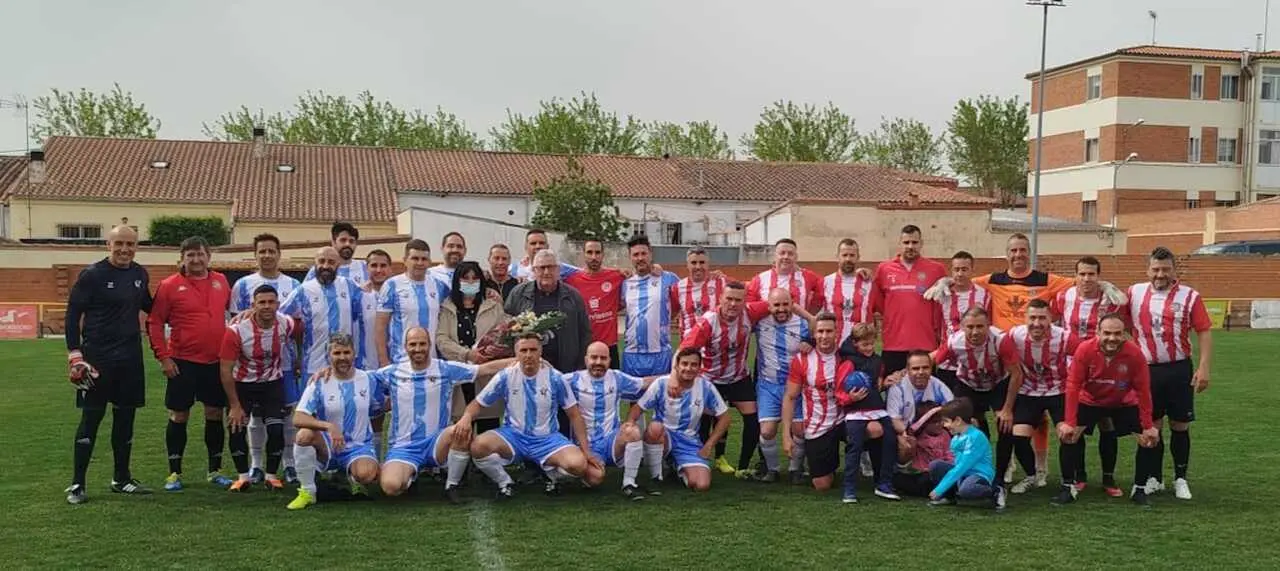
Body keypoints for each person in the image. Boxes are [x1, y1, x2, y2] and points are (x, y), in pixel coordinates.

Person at [63, 225, 154, 504]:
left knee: (125, 420)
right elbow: (72, 314)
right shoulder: (93, 275)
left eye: (130, 244)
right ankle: (77, 484)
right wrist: (75, 355)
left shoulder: (139, 273)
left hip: (130, 359)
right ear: (108, 244)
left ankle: (122, 478)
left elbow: (152, 307)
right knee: (91, 419)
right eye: (120, 244)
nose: (125, 249)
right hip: (97, 360)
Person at [376, 328, 512, 503]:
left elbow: (484, 369)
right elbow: (360, 378)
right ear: (405, 347)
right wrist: (330, 371)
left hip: (437, 443)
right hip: (404, 447)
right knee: (391, 487)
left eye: (422, 344)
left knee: (460, 430)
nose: (418, 348)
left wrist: (522, 360)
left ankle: (451, 486)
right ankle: (410, 475)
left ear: (430, 345)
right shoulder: (392, 372)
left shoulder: (445, 368)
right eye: (413, 344)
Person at [465, 334, 603, 500]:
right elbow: (477, 404)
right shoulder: (505, 376)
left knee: (578, 465)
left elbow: (574, 414)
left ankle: (552, 477)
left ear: (540, 352)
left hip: (547, 438)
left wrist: (586, 450)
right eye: (523, 350)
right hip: (514, 436)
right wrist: (466, 418)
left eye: (533, 350)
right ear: (516, 353)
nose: (528, 354)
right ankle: (505, 482)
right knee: (478, 446)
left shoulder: (555, 377)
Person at [148, 236, 235, 492]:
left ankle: (215, 470)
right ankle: (174, 472)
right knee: (179, 415)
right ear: (182, 259)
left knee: (214, 413)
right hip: (182, 362)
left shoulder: (221, 281)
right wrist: (163, 357)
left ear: (209, 256)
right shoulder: (169, 285)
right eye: (190, 255)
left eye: (200, 254)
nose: (196, 260)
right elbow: (154, 322)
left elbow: (234, 314)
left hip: (215, 361)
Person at [1126, 247, 1212, 500]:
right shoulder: (1134, 293)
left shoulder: (1190, 296)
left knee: (1180, 425)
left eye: (1165, 269)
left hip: (1178, 368)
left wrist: (1204, 366)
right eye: (1155, 269)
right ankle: (1154, 478)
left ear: (1174, 271)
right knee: (1151, 426)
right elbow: (1114, 318)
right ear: (1147, 270)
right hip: (1146, 371)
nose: (1160, 274)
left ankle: (1180, 478)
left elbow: (1204, 331)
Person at [277, 246, 365, 484]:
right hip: (313, 368)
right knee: (309, 420)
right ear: (315, 263)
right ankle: (309, 469)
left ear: (339, 265)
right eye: (322, 261)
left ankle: (343, 465)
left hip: (346, 366)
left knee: (346, 413)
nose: (326, 266)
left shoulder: (350, 288)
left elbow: (363, 318)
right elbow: (279, 318)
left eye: (331, 262)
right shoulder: (304, 290)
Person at [1055, 313, 1160, 506]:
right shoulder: (1085, 350)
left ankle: (1139, 489)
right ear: (1098, 333)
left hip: (1123, 402)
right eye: (1107, 333)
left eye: (1118, 333)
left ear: (1124, 334)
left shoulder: (1135, 353)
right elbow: (1073, 385)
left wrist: (1147, 425)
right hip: (1090, 400)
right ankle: (1068, 487)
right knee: (1068, 436)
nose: (1112, 338)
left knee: (1148, 439)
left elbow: (1143, 391)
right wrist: (1069, 422)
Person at [229, 233, 302, 485]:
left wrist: (299, 359)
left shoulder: (293, 285)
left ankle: (289, 464)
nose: (267, 255)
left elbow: (300, 325)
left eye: (272, 251)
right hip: (251, 367)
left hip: (284, 364)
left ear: (279, 254)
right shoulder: (242, 285)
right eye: (262, 251)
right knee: (256, 418)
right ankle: (256, 466)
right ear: (255, 254)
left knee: (287, 416)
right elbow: (235, 322)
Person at [1050, 256, 1127, 493]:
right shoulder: (1064, 297)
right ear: (1075, 276)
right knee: (1076, 422)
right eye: (1082, 274)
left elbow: (1123, 312)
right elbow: (1052, 322)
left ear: (1098, 276)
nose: (1086, 279)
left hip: (1103, 368)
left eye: (1091, 274)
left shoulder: (1109, 299)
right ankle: (1079, 475)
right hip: (1072, 369)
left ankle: (1108, 478)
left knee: (1107, 422)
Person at [678, 281, 771, 477]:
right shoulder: (708, 322)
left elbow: (779, 302)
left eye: (738, 300)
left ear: (744, 301)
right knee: (705, 422)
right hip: (710, 379)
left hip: (738, 377)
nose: (733, 304)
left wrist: (809, 321)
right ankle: (705, 460)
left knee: (753, 420)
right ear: (720, 299)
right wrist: (673, 379)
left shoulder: (750, 312)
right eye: (729, 299)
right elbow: (685, 351)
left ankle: (743, 466)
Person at [286, 333, 381, 510]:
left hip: (358, 446)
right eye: (337, 353)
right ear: (329, 356)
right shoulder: (319, 381)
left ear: (354, 354)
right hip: (328, 445)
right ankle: (308, 491)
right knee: (303, 435)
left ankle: (350, 477)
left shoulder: (369, 379)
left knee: (367, 475)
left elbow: (386, 400)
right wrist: (328, 426)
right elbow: (298, 417)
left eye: (347, 352)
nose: (342, 357)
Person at [218, 284, 296, 491]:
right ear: (253, 305)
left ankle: (271, 475)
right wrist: (234, 405)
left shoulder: (286, 323)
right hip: (243, 385)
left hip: (272, 384)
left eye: (271, 302)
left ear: (278, 304)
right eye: (262, 302)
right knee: (236, 428)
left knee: (277, 429)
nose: (267, 306)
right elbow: (225, 369)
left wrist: (298, 362)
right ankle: (243, 476)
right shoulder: (236, 331)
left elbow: (300, 332)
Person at [995, 299, 1077, 495]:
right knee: (1018, 436)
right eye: (1032, 318)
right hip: (1029, 391)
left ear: (1051, 319)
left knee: (1067, 435)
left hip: (1059, 391)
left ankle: (1069, 483)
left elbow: (1084, 358)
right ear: (1025, 318)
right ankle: (1032, 475)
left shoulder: (1065, 337)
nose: (1037, 323)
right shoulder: (1015, 335)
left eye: (1042, 318)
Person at [628, 348, 733, 493]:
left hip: (689, 442)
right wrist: (630, 424)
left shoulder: (705, 387)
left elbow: (725, 417)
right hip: (663, 437)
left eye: (693, 365)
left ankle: (675, 466)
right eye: (684, 364)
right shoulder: (661, 384)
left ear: (699, 368)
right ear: (676, 366)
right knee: (655, 427)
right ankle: (656, 477)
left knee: (701, 485)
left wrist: (709, 445)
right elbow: (638, 408)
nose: (688, 368)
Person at [564, 342, 655, 499]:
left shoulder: (617, 377)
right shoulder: (573, 379)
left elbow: (644, 383)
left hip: (612, 441)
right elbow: (549, 379)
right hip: (584, 444)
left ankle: (629, 483)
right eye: (594, 357)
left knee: (632, 431)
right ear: (586, 360)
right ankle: (565, 473)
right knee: (595, 478)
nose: (598, 362)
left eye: (603, 358)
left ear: (609, 360)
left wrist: (675, 376)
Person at [438, 261, 508, 435]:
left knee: (488, 425)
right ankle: (463, 460)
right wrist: (467, 354)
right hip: (460, 373)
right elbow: (441, 338)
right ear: (457, 281)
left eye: (474, 278)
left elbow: (504, 334)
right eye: (465, 278)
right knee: (461, 427)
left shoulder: (493, 304)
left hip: (486, 372)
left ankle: (484, 459)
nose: (470, 282)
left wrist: (495, 349)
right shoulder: (447, 307)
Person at [834, 323, 900, 503]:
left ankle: (884, 483)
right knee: (854, 446)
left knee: (890, 439)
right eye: (865, 345)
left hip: (876, 408)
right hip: (855, 411)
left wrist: (885, 383)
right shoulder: (848, 363)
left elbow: (876, 386)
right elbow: (838, 391)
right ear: (855, 343)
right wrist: (850, 399)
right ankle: (849, 489)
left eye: (872, 344)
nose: (869, 348)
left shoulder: (878, 361)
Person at [751, 288, 813, 483]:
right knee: (767, 431)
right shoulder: (759, 323)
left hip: (796, 386)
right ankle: (773, 469)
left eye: (785, 304)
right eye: (776, 305)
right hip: (769, 385)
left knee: (799, 430)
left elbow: (819, 325)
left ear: (792, 304)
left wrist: (810, 342)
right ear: (768, 306)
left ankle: (796, 469)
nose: (781, 309)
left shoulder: (803, 325)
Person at [870, 225, 948, 374]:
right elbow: (879, 305)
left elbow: (944, 304)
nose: (910, 246)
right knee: (894, 391)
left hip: (925, 344)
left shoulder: (936, 269)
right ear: (899, 244)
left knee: (924, 394)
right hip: (893, 345)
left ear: (921, 243)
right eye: (906, 243)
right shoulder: (884, 269)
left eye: (914, 242)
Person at [781, 313, 845, 493]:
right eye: (820, 331)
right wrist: (786, 435)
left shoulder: (847, 355)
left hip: (846, 419)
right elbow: (790, 397)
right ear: (814, 334)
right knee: (822, 485)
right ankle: (828, 463)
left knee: (875, 430)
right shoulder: (802, 360)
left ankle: (885, 475)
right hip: (818, 425)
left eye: (829, 331)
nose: (825, 336)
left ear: (836, 332)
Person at [504, 249, 592, 375]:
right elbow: (506, 331)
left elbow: (585, 333)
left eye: (551, 267)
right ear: (534, 270)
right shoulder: (518, 294)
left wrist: (580, 366)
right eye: (541, 268)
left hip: (565, 367)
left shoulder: (573, 296)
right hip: (527, 367)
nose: (546, 272)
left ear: (558, 270)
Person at [930, 307, 1006, 436]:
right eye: (970, 327)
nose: (975, 332)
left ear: (988, 326)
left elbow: (1015, 372)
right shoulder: (955, 341)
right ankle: (976, 451)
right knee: (966, 424)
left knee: (1005, 424)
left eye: (980, 326)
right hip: (968, 383)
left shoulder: (1001, 339)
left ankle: (1003, 456)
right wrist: (907, 371)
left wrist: (1008, 409)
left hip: (997, 383)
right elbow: (933, 359)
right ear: (962, 327)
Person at [921, 251, 991, 388]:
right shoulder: (943, 293)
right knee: (947, 405)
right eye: (956, 269)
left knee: (972, 406)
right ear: (951, 271)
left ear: (972, 270)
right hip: (947, 362)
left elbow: (989, 325)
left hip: (974, 362)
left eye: (964, 269)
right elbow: (936, 325)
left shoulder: (984, 295)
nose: (960, 274)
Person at [375, 239, 449, 367]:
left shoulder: (439, 286)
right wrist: (384, 362)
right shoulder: (392, 285)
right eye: (415, 258)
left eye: (424, 259)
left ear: (429, 262)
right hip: (401, 362)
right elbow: (380, 327)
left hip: (432, 362)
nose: (420, 263)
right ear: (405, 260)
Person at [619, 235, 681, 376]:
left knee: (661, 396)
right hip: (632, 353)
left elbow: (688, 293)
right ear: (630, 257)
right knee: (634, 397)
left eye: (643, 253)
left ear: (650, 254)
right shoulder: (625, 283)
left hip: (660, 352)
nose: (640, 258)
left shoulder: (668, 278)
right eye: (635, 254)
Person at [927, 398, 1005, 510]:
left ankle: (996, 490)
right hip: (964, 473)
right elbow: (956, 463)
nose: (944, 425)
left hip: (978, 474)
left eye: (946, 421)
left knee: (966, 490)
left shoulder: (976, 437)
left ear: (958, 420)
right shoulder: (956, 438)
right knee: (935, 465)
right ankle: (949, 497)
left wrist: (940, 488)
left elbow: (963, 465)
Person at [564, 238, 625, 366]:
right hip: (585, 347)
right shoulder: (571, 281)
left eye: (597, 253)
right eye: (590, 252)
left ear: (603, 254)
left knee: (612, 385)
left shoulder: (617, 276)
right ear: (583, 254)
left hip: (609, 347)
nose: (594, 257)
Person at [359, 248, 393, 459]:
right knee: (370, 417)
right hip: (366, 365)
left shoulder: (397, 290)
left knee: (397, 416)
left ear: (390, 268)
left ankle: (394, 461)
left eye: (383, 265)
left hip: (394, 362)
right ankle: (372, 461)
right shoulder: (359, 295)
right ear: (367, 268)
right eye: (374, 265)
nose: (379, 270)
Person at [747, 238, 824, 313]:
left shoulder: (807, 276)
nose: (786, 257)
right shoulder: (760, 279)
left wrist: (811, 314)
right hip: (767, 325)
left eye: (790, 254)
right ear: (775, 256)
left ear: (796, 257)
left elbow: (823, 287)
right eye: (782, 253)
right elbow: (749, 307)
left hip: (799, 325)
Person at [821, 238, 873, 346]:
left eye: (852, 255)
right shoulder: (825, 282)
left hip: (860, 348)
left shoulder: (869, 283)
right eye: (844, 255)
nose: (848, 259)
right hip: (833, 347)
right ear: (837, 257)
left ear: (858, 258)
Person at [672, 246, 727, 335]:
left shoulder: (722, 283)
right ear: (687, 265)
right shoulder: (678, 287)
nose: (698, 266)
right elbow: (670, 314)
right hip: (689, 345)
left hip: (714, 344)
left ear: (708, 264)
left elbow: (743, 291)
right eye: (694, 263)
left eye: (702, 262)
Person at [511, 228, 577, 280]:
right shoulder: (515, 270)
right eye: (533, 243)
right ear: (526, 247)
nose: (538, 246)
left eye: (541, 243)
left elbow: (582, 273)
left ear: (547, 246)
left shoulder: (561, 268)